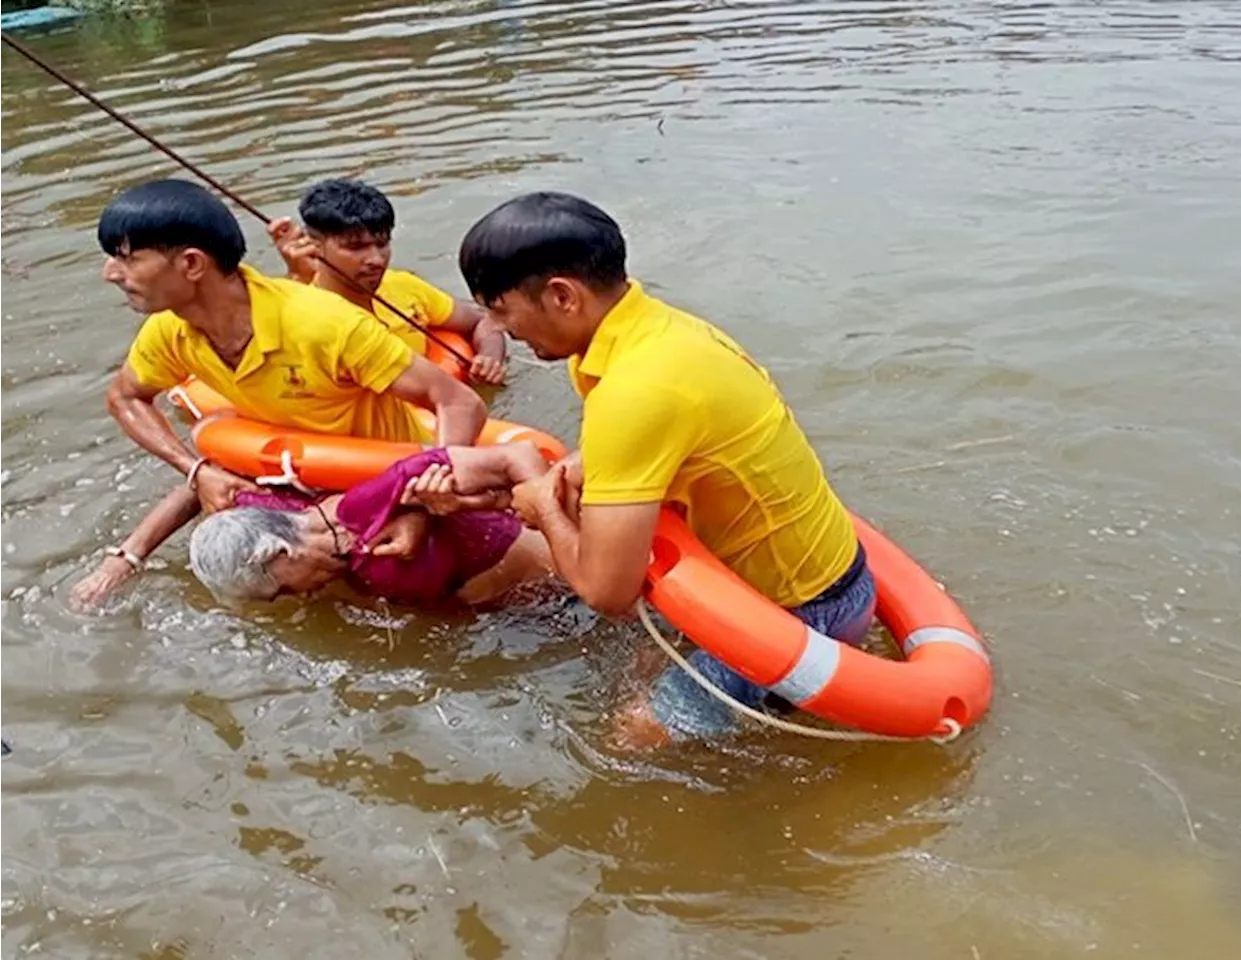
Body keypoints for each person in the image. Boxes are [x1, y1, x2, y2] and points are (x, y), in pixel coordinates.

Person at [454, 192, 877, 747]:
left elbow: (609, 592)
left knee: (629, 741)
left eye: (499, 307)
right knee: (643, 669)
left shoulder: (637, 390)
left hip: (803, 618)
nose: (494, 326)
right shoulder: (663, 332)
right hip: (827, 578)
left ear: (561, 295)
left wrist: (539, 507)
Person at [71, 178, 488, 607]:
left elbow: (460, 402)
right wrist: (194, 469)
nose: (110, 273)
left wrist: (419, 506)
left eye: (126, 258)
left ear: (192, 265)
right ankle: (122, 561)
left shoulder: (324, 324)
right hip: (287, 478)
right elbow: (124, 398)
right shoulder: (169, 332)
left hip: (383, 488)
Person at [188, 443, 557, 607]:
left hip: (543, 576)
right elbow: (210, 481)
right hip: (486, 613)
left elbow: (518, 456)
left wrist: (556, 525)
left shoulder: (369, 507)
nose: (299, 597)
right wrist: (132, 554)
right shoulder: (267, 510)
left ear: (282, 552)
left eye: (283, 589)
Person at [268, 179, 507, 384]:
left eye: (382, 244)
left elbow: (485, 322)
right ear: (315, 246)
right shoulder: (298, 307)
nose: (375, 259)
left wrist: (490, 357)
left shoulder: (404, 286)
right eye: (355, 247)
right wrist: (297, 276)